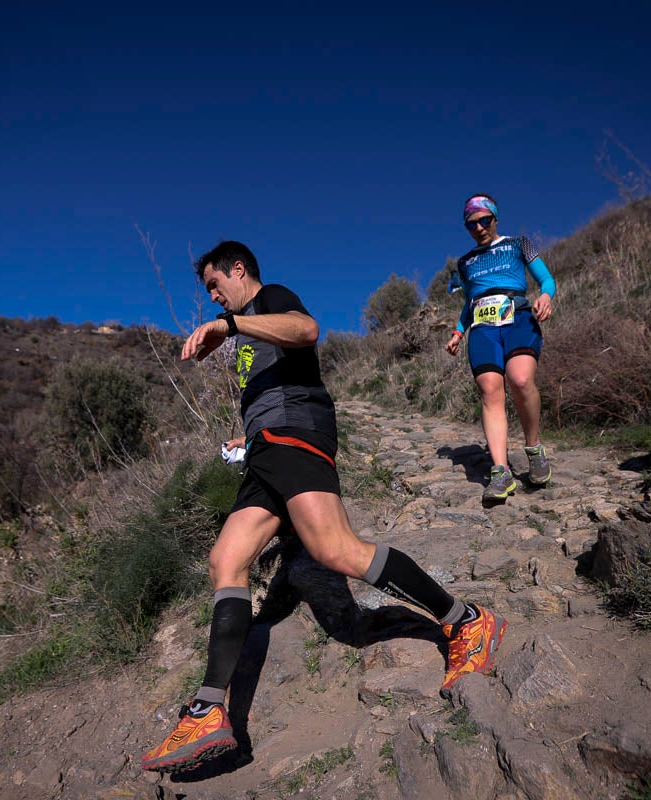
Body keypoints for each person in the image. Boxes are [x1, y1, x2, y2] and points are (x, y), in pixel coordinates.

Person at [140, 240, 508, 773]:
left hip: (296, 436)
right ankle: (208, 709)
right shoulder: (247, 324)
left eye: (215, 286)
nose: (215, 299)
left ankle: (467, 620)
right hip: (267, 449)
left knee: (336, 550)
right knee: (226, 560)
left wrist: (232, 327)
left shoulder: (269, 300)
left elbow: (308, 331)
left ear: (237, 270)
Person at [445, 194, 556, 504]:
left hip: (518, 317)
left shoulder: (521, 244)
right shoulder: (464, 263)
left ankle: (533, 448)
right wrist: (458, 330)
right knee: (490, 391)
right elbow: (469, 303)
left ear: (495, 218)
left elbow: (546, 279)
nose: (479, 227)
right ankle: (500, 471)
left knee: (520, 380)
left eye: (484, 220)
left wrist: (546, 296)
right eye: (471, 224)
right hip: (482, 327)